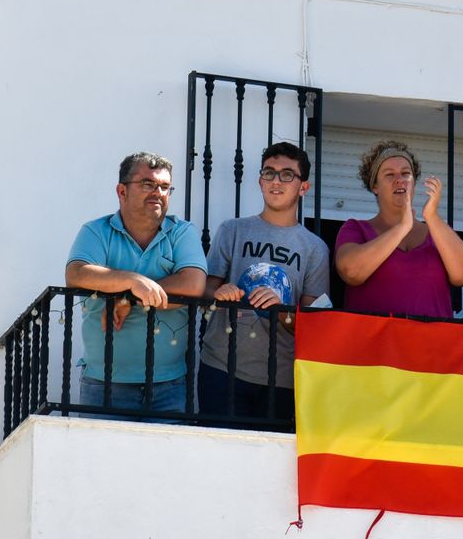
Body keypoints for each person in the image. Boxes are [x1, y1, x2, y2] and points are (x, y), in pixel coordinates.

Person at [65, 151, 206, 417]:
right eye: (147, 184)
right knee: (101, 460)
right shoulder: (97, 231)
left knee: (166, 461)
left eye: (165, 187)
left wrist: (128, 298)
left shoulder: (181, 232)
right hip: (105, 383)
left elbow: (193, 284)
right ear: (122, 191)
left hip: (169, 385)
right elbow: (77, 274)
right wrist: (132, 281)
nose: (158, 192)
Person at [198, 142, 331, 422]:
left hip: (281, 378)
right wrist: (220, 291)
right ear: (260, 180)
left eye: (287, 174)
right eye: (269, 173)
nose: (276, 181)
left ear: (303, 187)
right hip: (222, 368)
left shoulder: (315, 248)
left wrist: (282, 310)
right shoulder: (232, 230)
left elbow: (316, 325)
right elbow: (205, 290)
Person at [334, 140, 463, 317]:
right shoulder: (355, 228)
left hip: (433, 343)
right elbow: (351, 272)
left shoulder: (437, 232)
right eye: (389, 174)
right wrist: (402, 227)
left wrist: (431, 216)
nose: (399, 180)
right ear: (375, 186)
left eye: (405, 173)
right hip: (375, 343)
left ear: (414, 182)